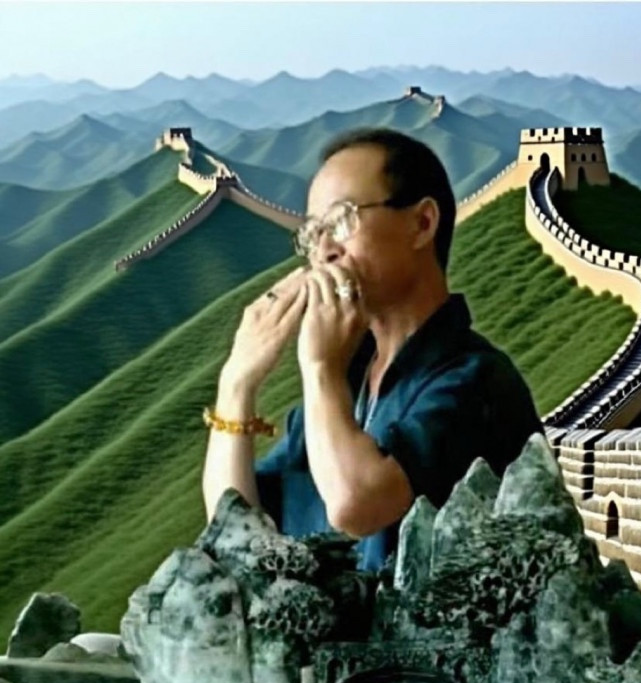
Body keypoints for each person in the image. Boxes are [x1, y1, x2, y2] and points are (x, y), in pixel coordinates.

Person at [201, 128, 544, 571]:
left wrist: (319, 367)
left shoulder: (476, 381)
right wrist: (236, 383)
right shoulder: (350, 380)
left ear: (422, 224)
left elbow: (357, 507)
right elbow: (234, 528)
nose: (324, 252)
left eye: (340, 222)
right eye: (313, 233)